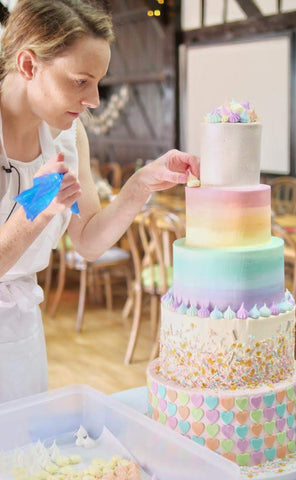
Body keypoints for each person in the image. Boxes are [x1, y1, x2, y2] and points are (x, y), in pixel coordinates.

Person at [0, 0, 199, 403]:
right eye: (80, 81)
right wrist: (37, 205)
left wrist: (141, 184)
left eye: (98, 83)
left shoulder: (68, 137)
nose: (93, 99)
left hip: (22, 327)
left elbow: (88, 242)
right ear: (27, 65)